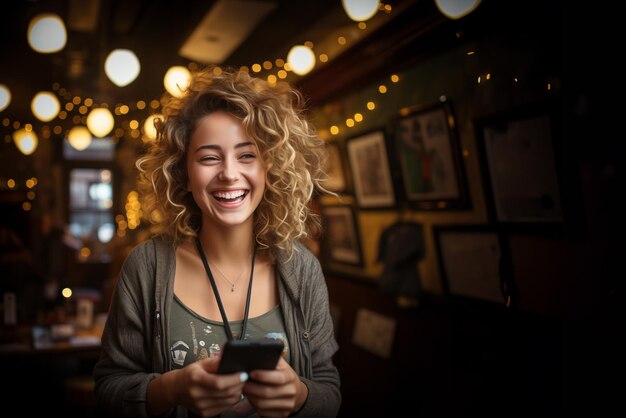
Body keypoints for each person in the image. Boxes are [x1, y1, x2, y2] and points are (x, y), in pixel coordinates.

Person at [93, 67, 341, 418]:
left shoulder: (302, 268)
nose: (228, 172)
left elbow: (330, 391)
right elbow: (107, 390)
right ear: (183, 173)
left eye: (247, 155)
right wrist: (170, 389)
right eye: (209, 157)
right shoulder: (146, 267)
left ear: (270, 168)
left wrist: (300, 396)